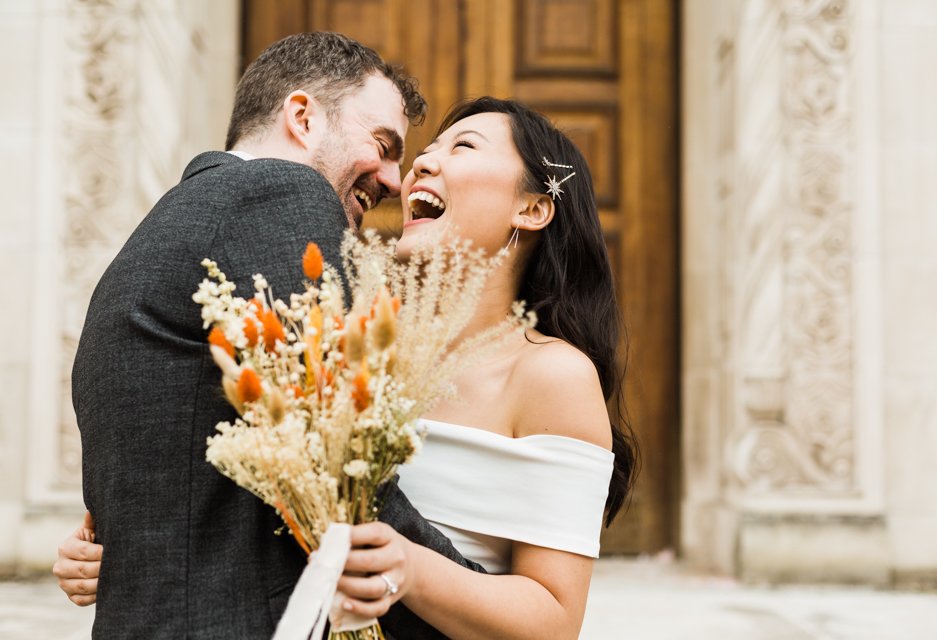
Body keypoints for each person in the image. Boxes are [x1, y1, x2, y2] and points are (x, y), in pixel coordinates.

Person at [58, 97, 638, 638]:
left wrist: (409, 566)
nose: (420, 168)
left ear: (532, 208)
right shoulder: (349, 337)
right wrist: (126, 542)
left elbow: (554, 619)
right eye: (425, 153)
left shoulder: (552, 376)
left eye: (461, 148)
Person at [58, 31, 489, 639]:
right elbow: (344, 468)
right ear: (303, 118)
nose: (395, 180)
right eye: (383, 145)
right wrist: (475, 604)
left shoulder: (167, 227)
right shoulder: (278, 193)